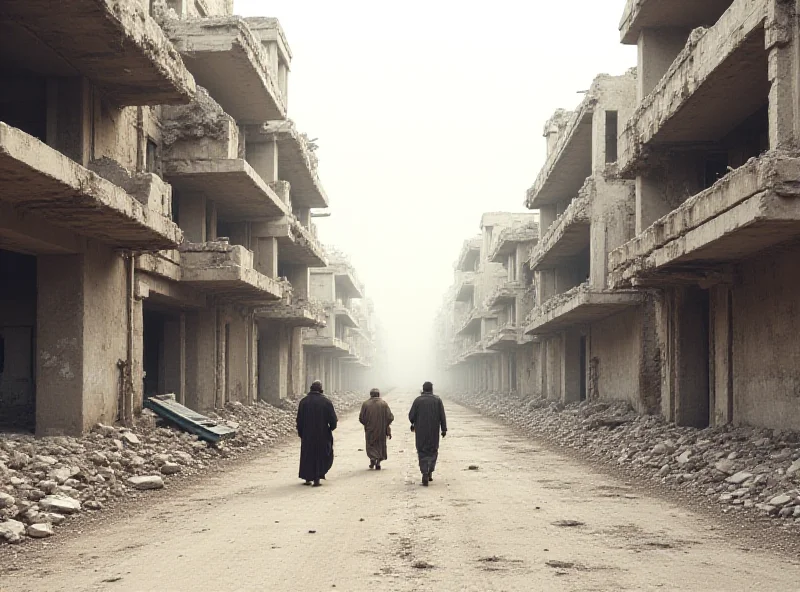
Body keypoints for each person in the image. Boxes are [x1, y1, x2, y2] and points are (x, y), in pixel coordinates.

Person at [296, 380, 338, 487]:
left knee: (307, 455)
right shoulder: (326, 402)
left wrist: (301, 433)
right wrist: (330, 429)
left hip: (307, 434)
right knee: (320, 455)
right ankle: (317, 478)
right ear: (321, 389)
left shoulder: (303, 402)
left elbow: (299, 420)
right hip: (322, 434)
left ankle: (307, 477)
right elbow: (333, 420)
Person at [408, 381, 447, 486]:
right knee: (433, 450)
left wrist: (413, 423)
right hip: (434, 431)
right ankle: (430, 471)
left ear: (423, 389)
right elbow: (442, 416)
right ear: (432, 389)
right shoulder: (437, 400)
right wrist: (444, 429)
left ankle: (424, 472)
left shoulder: (418, 401)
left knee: (422, 451)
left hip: (420, 431)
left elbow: (411, 416)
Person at [359, 388, 394, 470]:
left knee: (371, 445)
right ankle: (378, 461)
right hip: (381, 430)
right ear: (378, 394)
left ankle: (372, 459)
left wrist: (367, 425)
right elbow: (390, 417)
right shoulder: (383, 404)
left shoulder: (366, 404)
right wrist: (385, 424)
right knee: (380, 445)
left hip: (370, 430)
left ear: (370, 395)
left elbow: (361, 418)